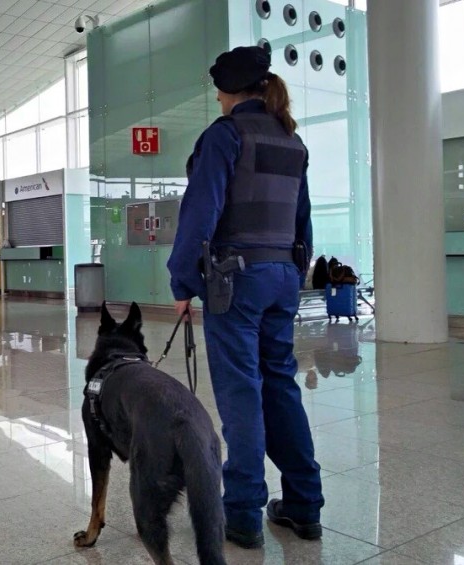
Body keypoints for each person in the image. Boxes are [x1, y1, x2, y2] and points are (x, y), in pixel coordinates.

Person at [166, 46, 322, 550]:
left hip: (236, 280)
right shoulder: (290, 139)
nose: (217, 98)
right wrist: (292, 272)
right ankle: (303, 504)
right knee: (280, 385)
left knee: (241, 395)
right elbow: (303, 220)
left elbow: (201, 212)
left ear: (229, 91)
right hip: (282, 275)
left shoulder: (225, 135)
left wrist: (183, 281)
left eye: (218, 91)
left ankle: (242, 514)